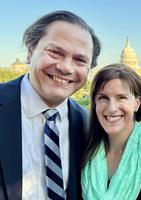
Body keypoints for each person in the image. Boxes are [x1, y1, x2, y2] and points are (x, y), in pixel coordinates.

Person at [0, 10, 101, 199]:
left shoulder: (88, 126)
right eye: (55, 52)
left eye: (80, 60)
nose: (66, 67)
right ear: (31, 51)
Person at [81, 64, 141, 200]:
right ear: (95, 102)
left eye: (121, 97)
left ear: (137, 103)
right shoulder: (86, 145)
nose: (112, 108)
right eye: (103, 98)